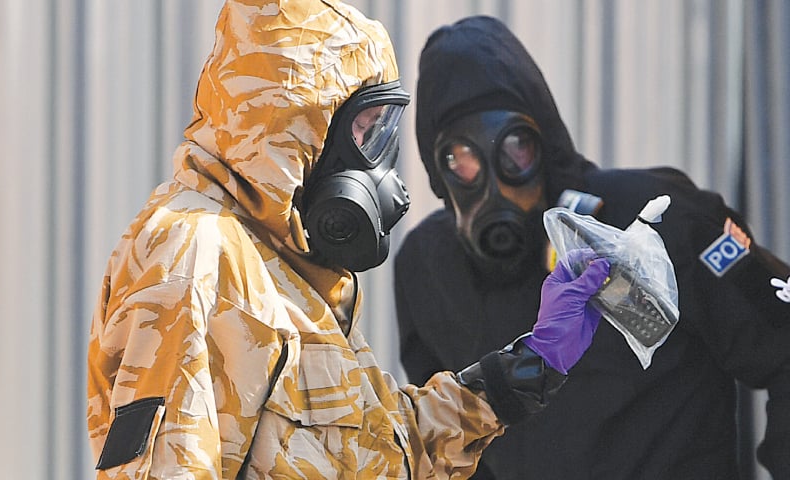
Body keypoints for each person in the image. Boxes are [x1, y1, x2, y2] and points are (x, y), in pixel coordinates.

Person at [85, 2, 610, 479]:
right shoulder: (194, 254)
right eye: (365, 131)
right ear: (296, 126)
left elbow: (392, 449)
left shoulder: (287, 271)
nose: (381, 169)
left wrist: (529, 365)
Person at [394, 15, 790, 480]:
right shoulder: (427, 267)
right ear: (438, 175)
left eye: (514, 148)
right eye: (460, 160)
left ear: (544, 143)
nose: (494, 184)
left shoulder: (654, 223)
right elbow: (446, 442)